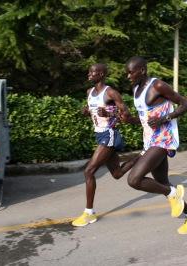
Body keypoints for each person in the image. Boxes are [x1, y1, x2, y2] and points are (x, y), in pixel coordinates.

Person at [122, 56, 187, 234]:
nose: (128, 76)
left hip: (164, 138)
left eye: (131, 72)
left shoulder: (157, 86)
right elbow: (145, 119)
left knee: (134, 180)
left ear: (142, 70)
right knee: (162, 182)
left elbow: (185, 104)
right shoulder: (136, 89)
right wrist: (128, 120)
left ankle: (174, 194)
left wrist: (165, 118)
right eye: (126, 73)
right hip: (150, 140)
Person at [72, 63, 140, 227]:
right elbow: (96, 117)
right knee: (117, 173)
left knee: (89, 171)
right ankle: (142, 155)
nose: (89, 74)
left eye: (92, 72)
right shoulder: (89, 93)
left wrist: (110, 112)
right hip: (100, 134)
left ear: (101, 74)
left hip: (109, 134)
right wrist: (88, 113)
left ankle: (89, 213)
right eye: (88, 71)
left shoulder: (110, 92)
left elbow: (127, 115)